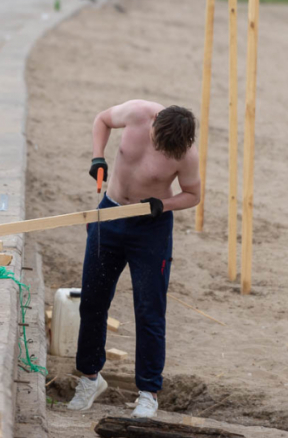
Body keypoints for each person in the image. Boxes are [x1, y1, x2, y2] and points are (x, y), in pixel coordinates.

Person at [67, 101, 200, 417]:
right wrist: (98, 156)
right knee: (93, 301)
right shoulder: (138, 111)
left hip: (150, 228)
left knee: (149, 311)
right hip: (110, 214)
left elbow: (193, 195)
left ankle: (148, 393)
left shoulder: (186, 154)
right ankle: (89, 378)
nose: (159, 147)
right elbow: (101, 119)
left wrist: (163, 205)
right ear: (154, 120)